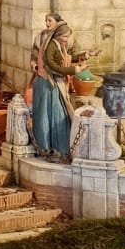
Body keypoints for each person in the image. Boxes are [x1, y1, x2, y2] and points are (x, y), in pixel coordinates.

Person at [29, 12, 75, 162]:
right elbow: (38, 56)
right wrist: (34, 64)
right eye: (46, 21)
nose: (47, 23)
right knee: (44, 115)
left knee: (59, 115)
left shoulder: (65, 37)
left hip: (58, 82)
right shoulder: (43, 38)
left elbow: (71, 54)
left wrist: (80, 59)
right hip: (46, 80)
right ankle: (45, 147)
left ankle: (61, 148)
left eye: (50, 21)